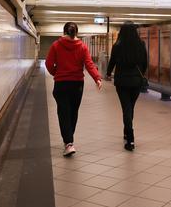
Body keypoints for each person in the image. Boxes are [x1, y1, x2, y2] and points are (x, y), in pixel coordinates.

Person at [46, 22, 103, 157]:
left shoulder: (56, 45)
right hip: (77, 84)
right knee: (73, 112)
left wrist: (56, 73)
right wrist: (97, 78)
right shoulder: (82, 46)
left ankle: (68, 143)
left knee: (63, 112)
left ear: (64, 31)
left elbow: (48, 63)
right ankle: (69, 140)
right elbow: (89, 64)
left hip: (61, 84)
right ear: (76, 32)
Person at [106, 22, 148, 151]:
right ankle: (126, 132)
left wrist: (108, 73)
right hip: (136, 81)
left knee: (126, 108)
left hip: (122, 81)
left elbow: (112, 61)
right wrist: (140, 74)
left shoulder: (117, 46)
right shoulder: (141, 45)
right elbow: (145, 63)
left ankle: (130, 139)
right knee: (130, 107)